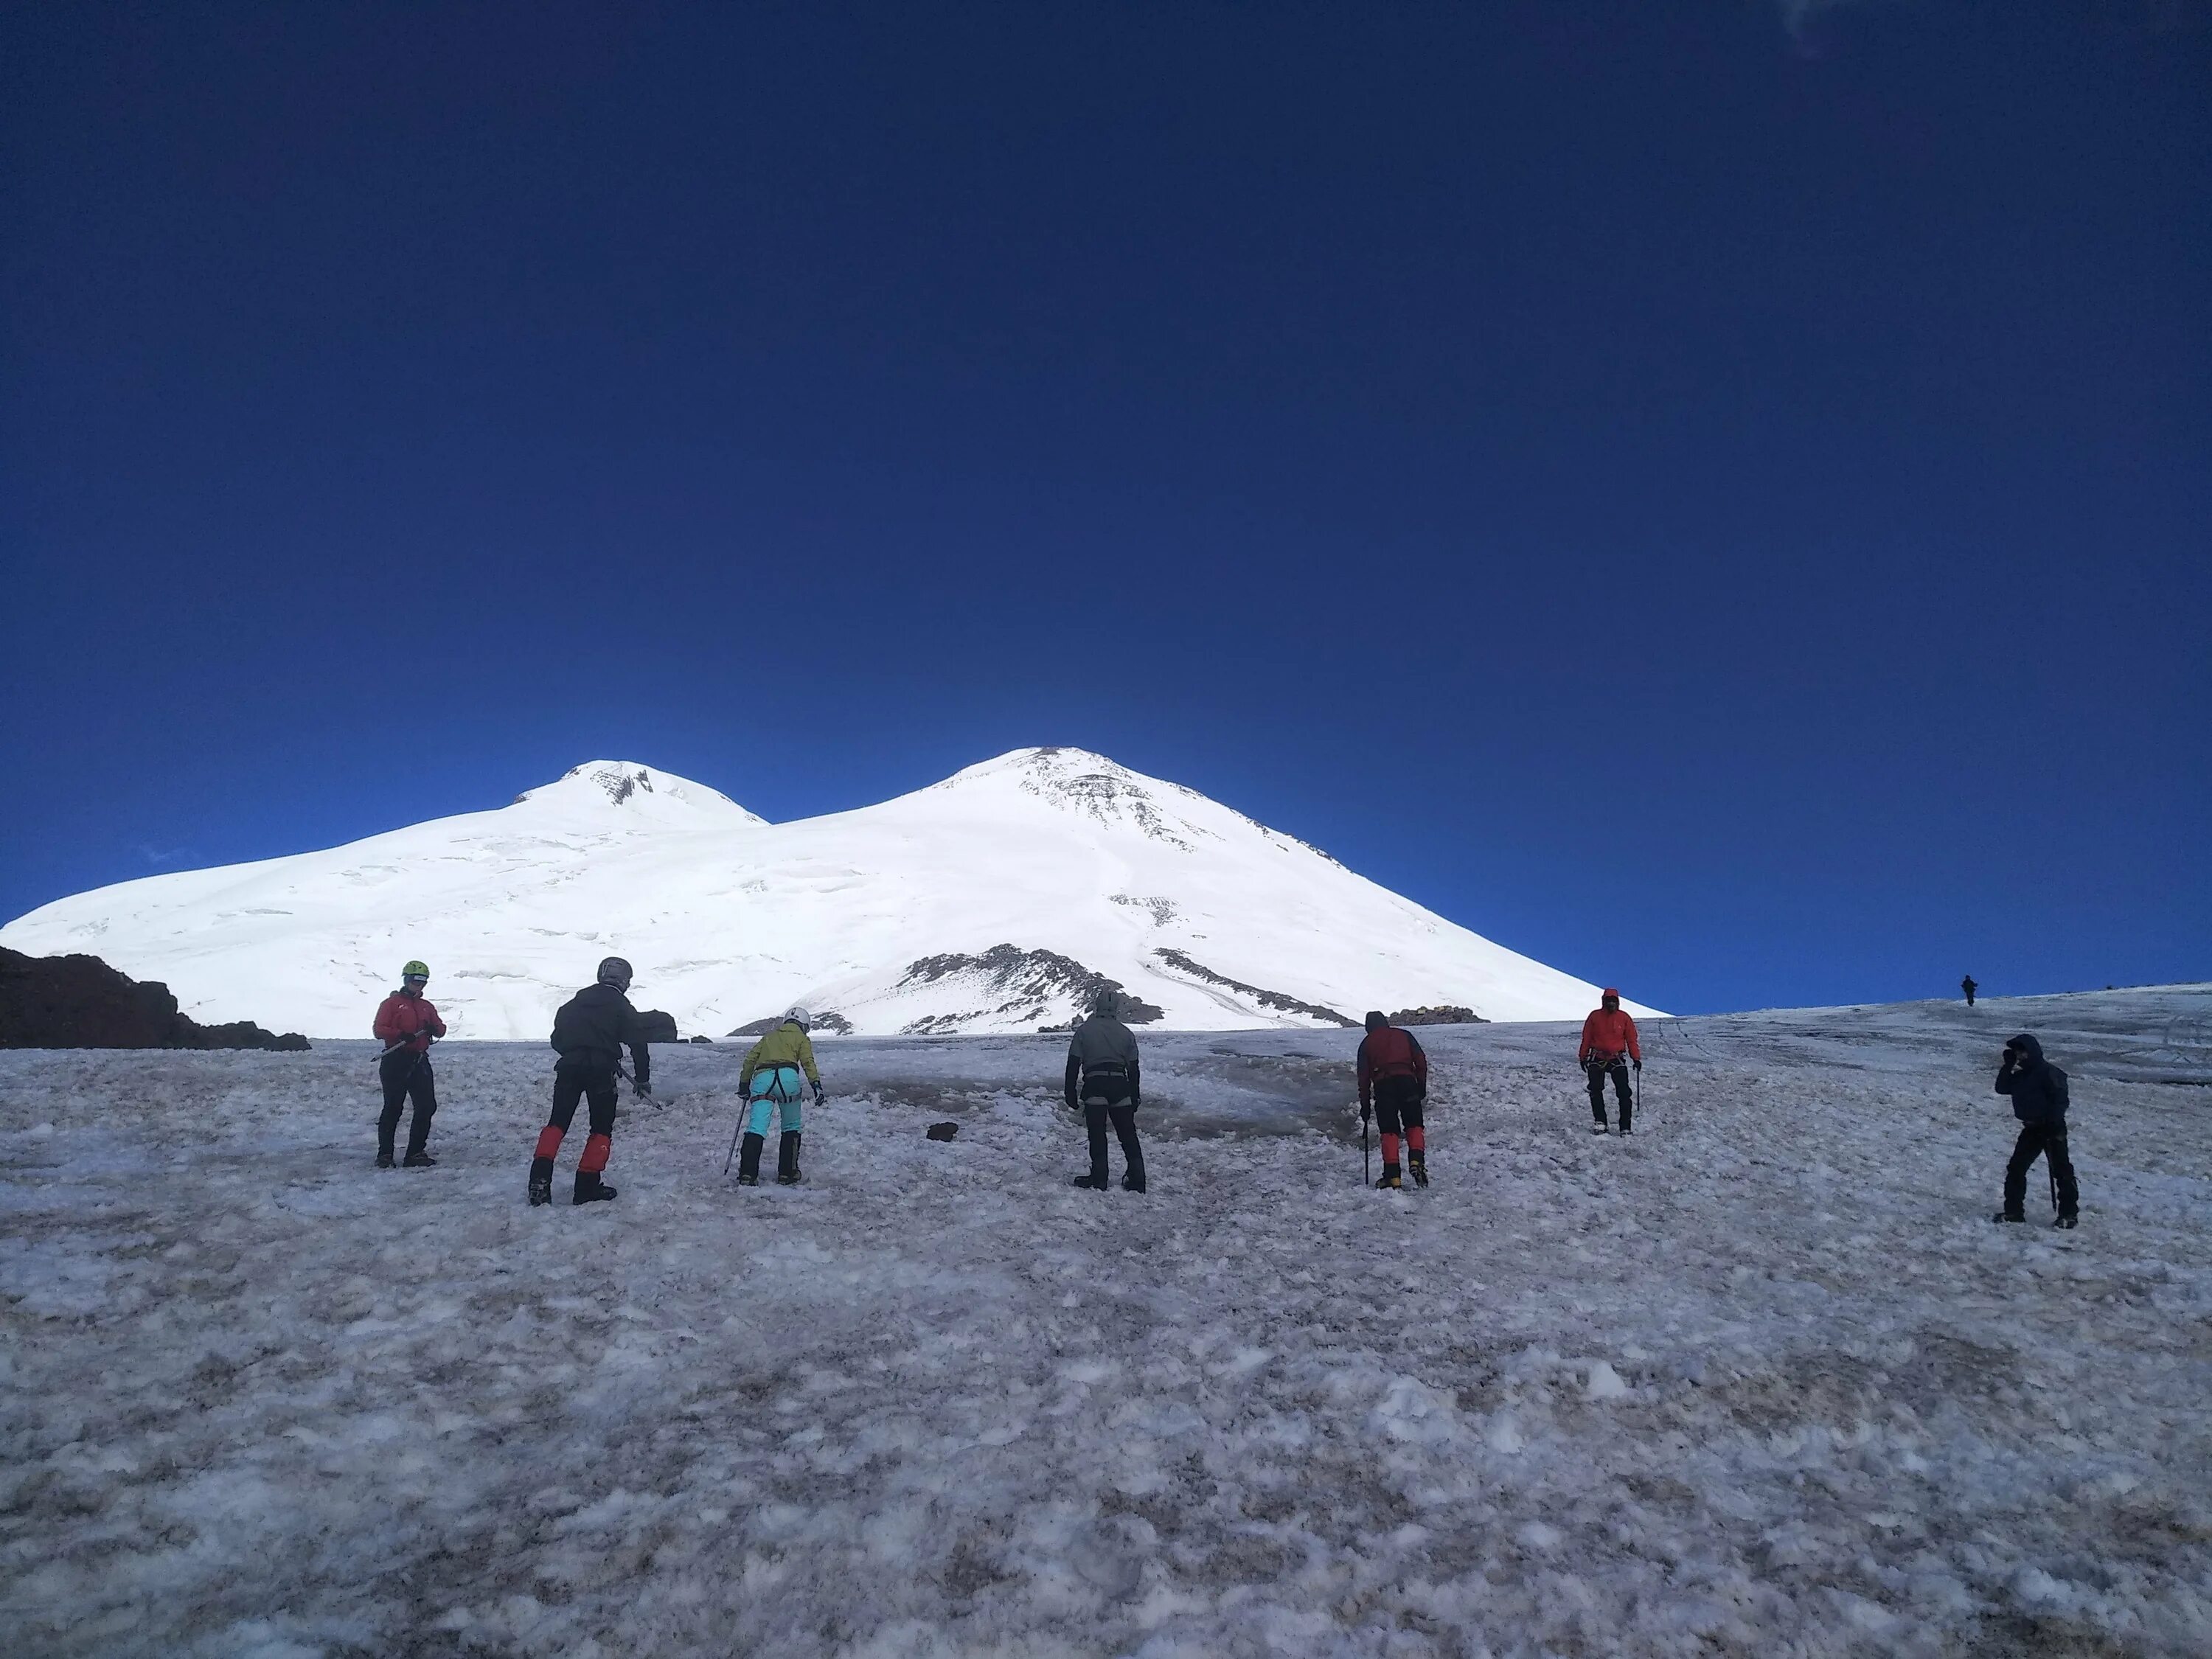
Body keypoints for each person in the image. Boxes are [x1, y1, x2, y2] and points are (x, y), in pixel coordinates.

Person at [528, 956, 653, 1206]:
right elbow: (638, 1044)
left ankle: (539, 1181)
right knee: (600, 1129)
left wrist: (576, 1052)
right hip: (601, 1070)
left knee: (557, 1123)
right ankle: (587, 1186)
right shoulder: (621, 1006)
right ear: (624, 980)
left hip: (569, 1068)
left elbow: (557, 1040)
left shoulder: (573, 1005)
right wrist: (642, 1079)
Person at [1994, 1033, 2078, 1228]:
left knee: (2062, 1170)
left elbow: (2060, 1100)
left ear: (2033, 1051)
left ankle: (2069, 1214)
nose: (2020, 1055)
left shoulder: (2049, 1072)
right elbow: (2001, 1088)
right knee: (2016, 1168)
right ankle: (2014, 1212)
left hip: (2051, 1127)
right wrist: (2007, 1067)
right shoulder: (2020, 1076)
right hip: (2031, 1128)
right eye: (2017, 1051)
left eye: (2022, 1051)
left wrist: (2052, 1122)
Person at [1065, 988, 1144, 1192]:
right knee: (1128, 1133)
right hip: (1120, 1085)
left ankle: (1099, 1178)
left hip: (1095, 1085)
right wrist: (1134, 1096)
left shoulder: (1084, 1031)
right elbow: (1133, 1069)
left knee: (1097, 1133)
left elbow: (1073, 1064)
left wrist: (1070, 1092)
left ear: (1097, 1006)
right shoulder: (1126, 1033)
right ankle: (1138, 1178)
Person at [735, 1008, 825, 1186]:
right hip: (788, 1079)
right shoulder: (801, 1038)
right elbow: (808, 1062)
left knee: (757, 1127)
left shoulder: (769, 1037)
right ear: (804, 1025)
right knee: (791, 1126)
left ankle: (747, 1173)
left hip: (763, 1079)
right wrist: (816, 1085)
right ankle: (787, 1173)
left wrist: (744, 1085)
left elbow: (750, 1060)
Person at [372, 961, 447, 1167]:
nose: (419, 985)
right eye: (416, 981)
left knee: (426, 1106)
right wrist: (399, 1035)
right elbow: (379, 1029)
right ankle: (385, 1154)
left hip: (419, 1060)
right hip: (395, 1059)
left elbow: (441, 1029)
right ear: (407, 980)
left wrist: (435, 1028)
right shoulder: (391, 1004)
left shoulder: (426, 1007)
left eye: (423, 982)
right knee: (393, 1107)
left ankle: (415, 1153)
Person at [1357, 1012, 1430, 1189]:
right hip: (1407, 1082)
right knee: (1414, 1124)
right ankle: (1416, 1160)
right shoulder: (1404, 1035)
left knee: (1389, 1130)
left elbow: (1363, 1077)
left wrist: (1365, 1104)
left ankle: (1393, 1177)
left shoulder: (1366, 1044)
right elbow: (1420, 1060)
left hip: (1384, 1086)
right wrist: (1421, 1085)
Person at [1578, 988, 1641, 1135]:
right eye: (1609, 1000)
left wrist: (1636, 1058)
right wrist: (1583, 1056)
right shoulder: (1595, 1017)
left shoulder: (1624, 1018)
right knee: (1595, 1089)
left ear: (1617, 1002)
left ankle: (1625, 1126)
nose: (1611, 1003)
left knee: (1624, 1092)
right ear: (1604, 1001)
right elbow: (1586, 1038)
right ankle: (1600, 1122)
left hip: (1616, 1058)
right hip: (1597, 1057)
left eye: (1614, 1000)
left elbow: (1631, 1040)